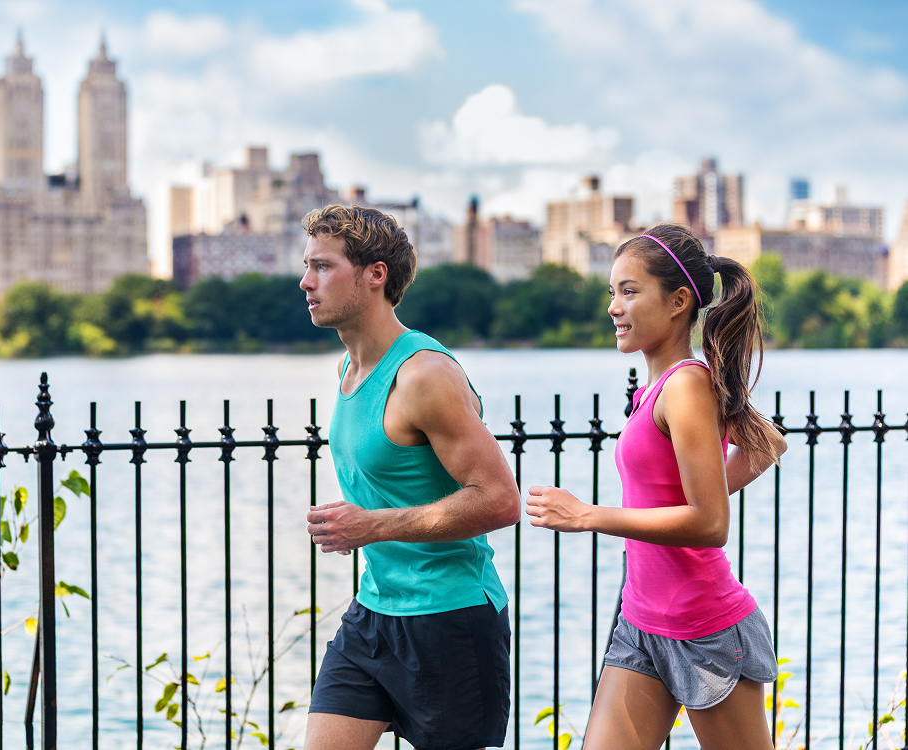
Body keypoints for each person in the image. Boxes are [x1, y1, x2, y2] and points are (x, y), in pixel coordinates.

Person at [525, 223, 787, 750]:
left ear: (678, 301)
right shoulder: (660, 389)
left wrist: (588, 515)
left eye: (629, 291)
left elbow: (710, 525)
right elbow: (768, 444)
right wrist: (695, 492)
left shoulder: (687, 386)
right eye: (612, 293)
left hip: (705, 629)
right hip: (641, 625)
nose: (613, 307)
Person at [299, 204, 520, 750]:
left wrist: (371, 525)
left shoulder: (424, 375)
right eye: (307, 266)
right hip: (374, 615)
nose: (306, 282)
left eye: (323, 267)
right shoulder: (350, 370)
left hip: (449, 622)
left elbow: (498, 501)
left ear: (376, 274)